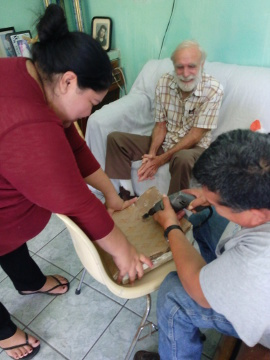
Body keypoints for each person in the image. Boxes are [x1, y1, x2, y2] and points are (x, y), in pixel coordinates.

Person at [0, 5, 152, 360]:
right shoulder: (28, 125)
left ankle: (28, 282)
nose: (89, 113)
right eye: (92, 103)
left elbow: (74, 144)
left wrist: (112, 195)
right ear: (68, 80)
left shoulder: (33, 74)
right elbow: (76, 203)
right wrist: (125, 254)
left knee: (7, 239)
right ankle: (4, 334)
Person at [134, 129, 270, 360]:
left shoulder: (258, 260)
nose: (211, 201)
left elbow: (198, 292)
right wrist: (211, 196)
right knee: (207, 216)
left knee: (173, 295)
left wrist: (170, 227)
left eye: (219, 202)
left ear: (256, 215)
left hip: (264, 322)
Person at [105, 40, 224, 199]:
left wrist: (159, 161)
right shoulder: (164, 83)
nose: (185, 73)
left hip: (194, 148)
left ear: (201, 65)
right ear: (174, 66)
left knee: (182, 158)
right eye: (180, 67)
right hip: (167, 141)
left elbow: (196, 135)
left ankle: (174, 210)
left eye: (192, 66)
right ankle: (126, 195)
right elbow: (160, 125)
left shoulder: (213, 90)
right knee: (115, 139)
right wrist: (152, 153)